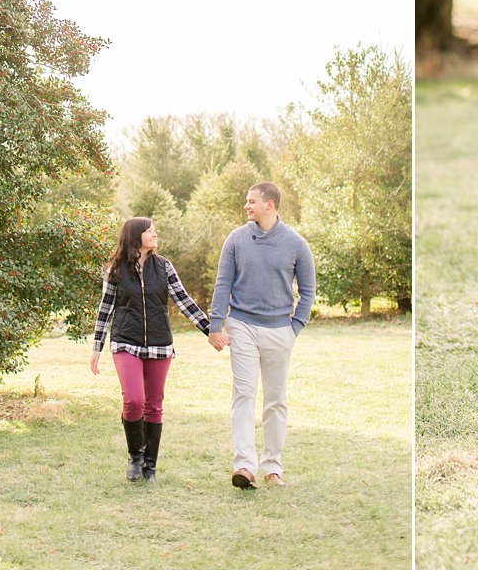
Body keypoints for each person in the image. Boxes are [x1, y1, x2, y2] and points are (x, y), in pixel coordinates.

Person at [208, 181, 316, 489]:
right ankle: (244, 465)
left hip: (280, 329)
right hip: (241, 325)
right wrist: (216, 325)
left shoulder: (296, 244)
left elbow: (308, 291)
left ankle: (272, 467)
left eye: (251, 201)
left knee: (275, 400)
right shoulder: (236, 240)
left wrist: (295, 327)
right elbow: (222, 285)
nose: (246, 206)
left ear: (269, 204)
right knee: (243, 394)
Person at [90, 216, 213, 482]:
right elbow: (105, 308)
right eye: (150, 231)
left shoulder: (164, 267)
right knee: (134, 401)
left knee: (153, 405)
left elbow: (184, 301)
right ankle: (135, 456)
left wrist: (210, 330)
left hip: (159, 343)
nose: (155, 234)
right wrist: (97, 346)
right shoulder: (116, 268)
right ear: (136, 235)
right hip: (125, 341)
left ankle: (150, 466)